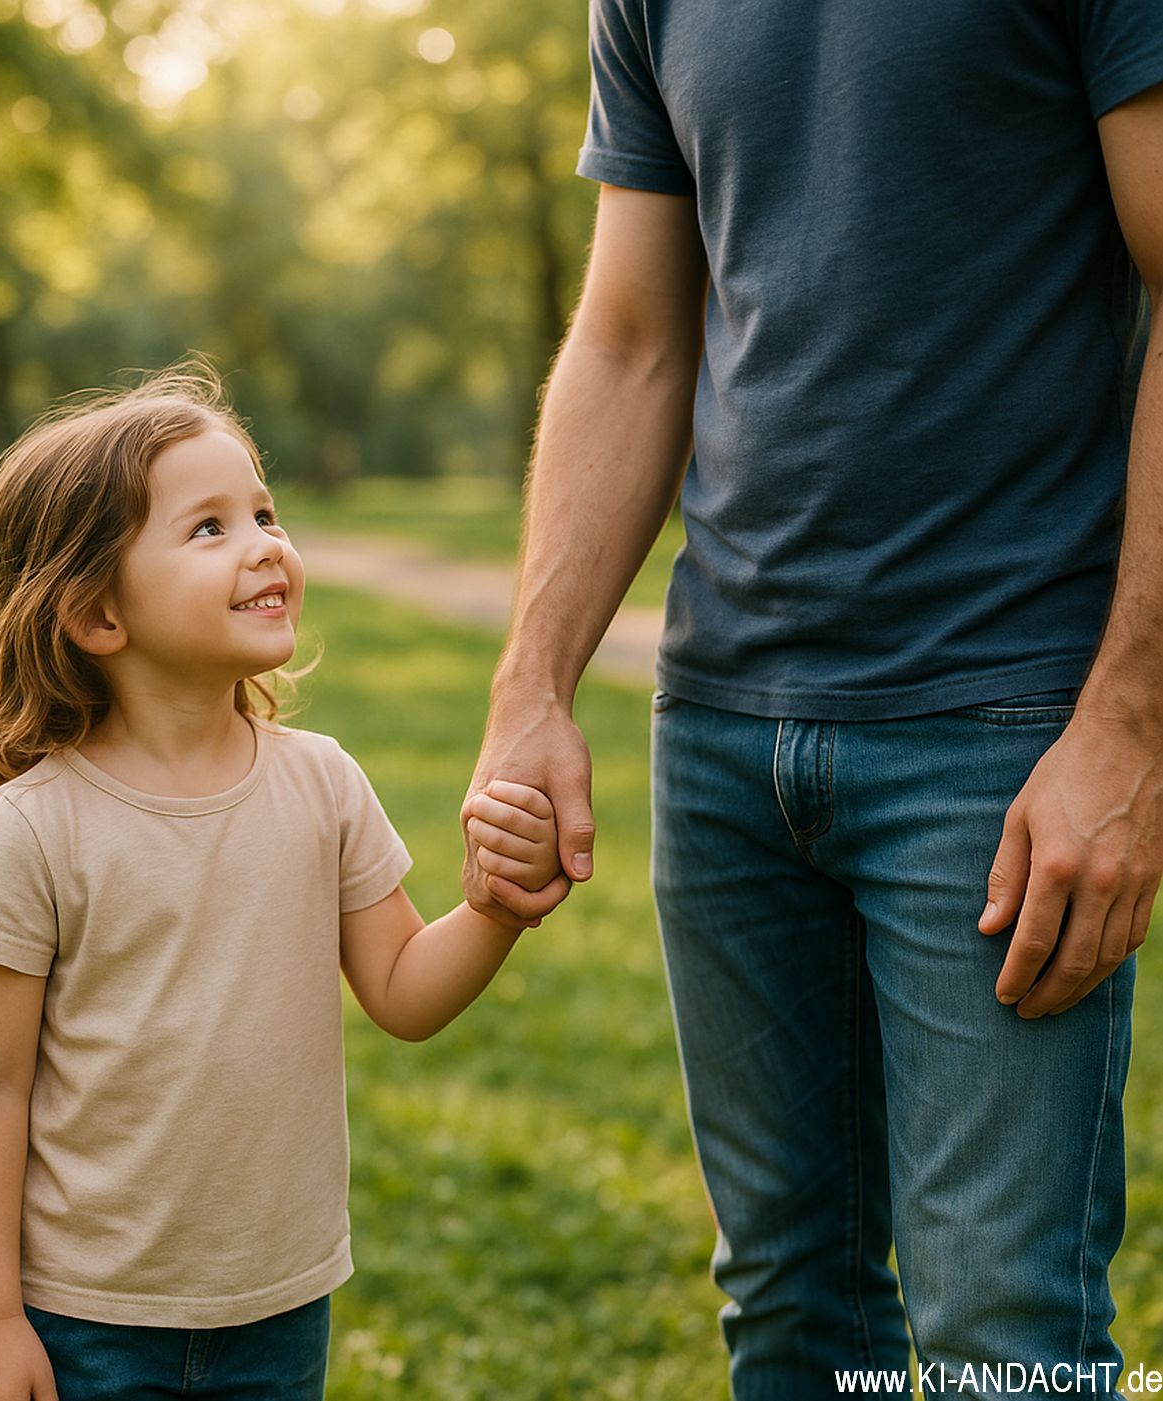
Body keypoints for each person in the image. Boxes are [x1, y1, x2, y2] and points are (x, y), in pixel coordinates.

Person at [463, 5, 1163, 1398]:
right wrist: (531, 682)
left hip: (1000, 734)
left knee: (999, 1342)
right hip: (723, 733)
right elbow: (629, 337)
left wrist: (1129, 725)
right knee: (789, 1311)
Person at [0, 363, 565, 1401]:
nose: (267, 544)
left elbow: (403, 990)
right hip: (88, 1318)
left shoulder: (322, 785)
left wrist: (493, 909)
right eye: (209, 527)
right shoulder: (35, 829)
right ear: (98, 616)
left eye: (264, 512)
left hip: (280, 1307)